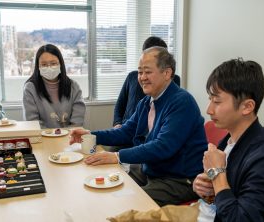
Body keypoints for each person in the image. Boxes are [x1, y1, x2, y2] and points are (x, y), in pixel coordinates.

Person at [70, 46, 207, 206]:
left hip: (180, 179)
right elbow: (125, 132)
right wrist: (90, 135)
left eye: (147, 72)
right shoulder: (146, 102)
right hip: (152, 170)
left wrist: (117, 156)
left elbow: (163, 147)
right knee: (105, 180)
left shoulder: (182, 102)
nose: (142, 77)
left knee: (128, 203)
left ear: (167, 73)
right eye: (140, 72)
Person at [193, 58, 264, 222]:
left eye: (216, 101)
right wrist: (206, 191)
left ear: (247, 107)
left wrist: (217, 174)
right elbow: (226, 196)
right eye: (210, 99)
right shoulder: (229, 141)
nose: (209, 109)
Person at [113, 36, 180, 128]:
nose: (143, 77)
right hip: (128, 128)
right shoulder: (133, 77)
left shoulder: (175, 85)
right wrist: (117, 123)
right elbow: (120, 105)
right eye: (141, 72)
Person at [23, 44, 86, 128]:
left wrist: (65, 137)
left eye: (53, 63)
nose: (49, 67)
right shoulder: (30, 88)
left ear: (60, 64)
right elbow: (32, 123)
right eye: (44, 64)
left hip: (70, 138)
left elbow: (77, 122)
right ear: (38, 66)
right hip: (42, 139)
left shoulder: (74, 87)